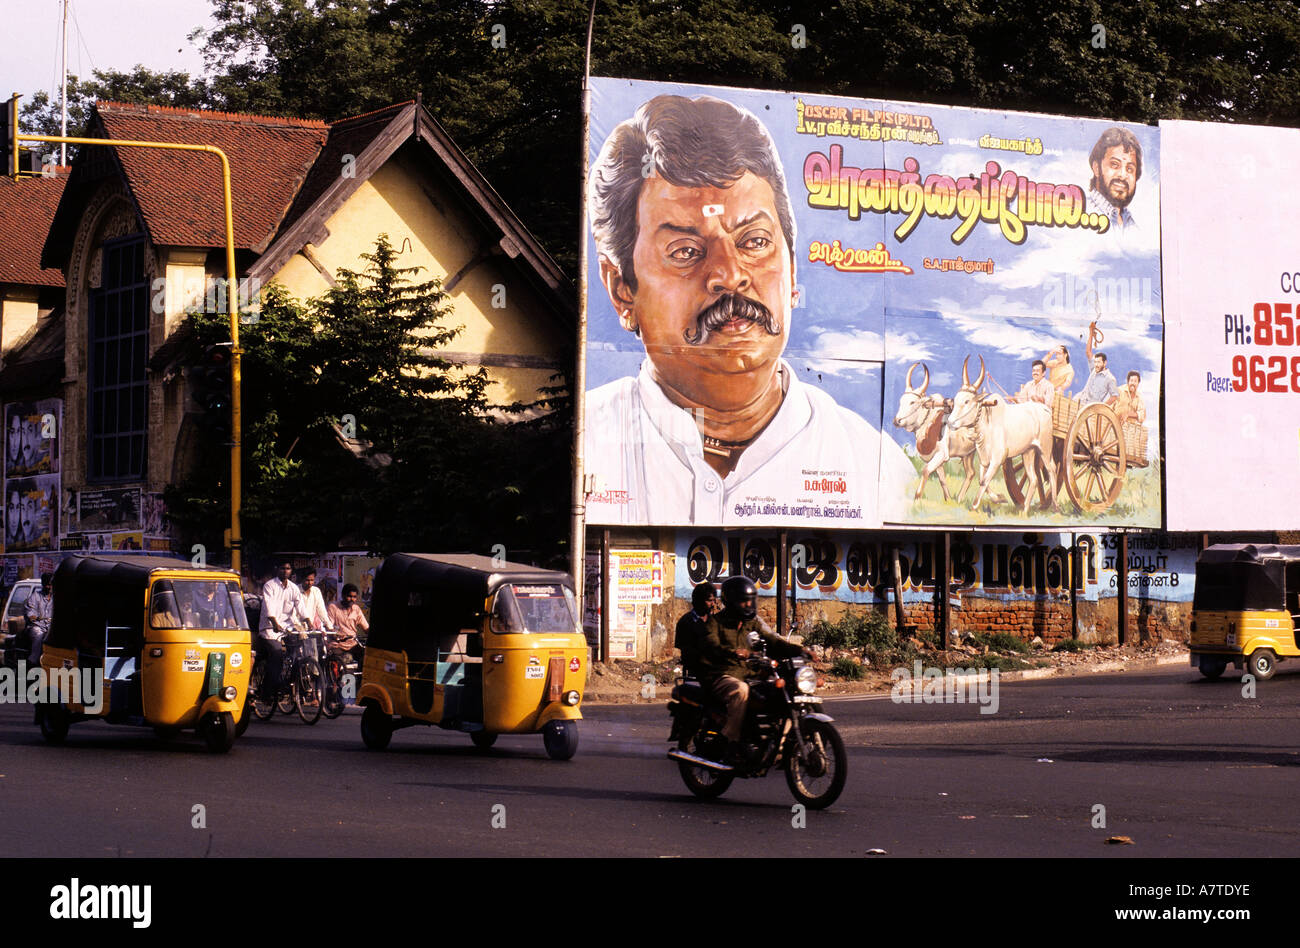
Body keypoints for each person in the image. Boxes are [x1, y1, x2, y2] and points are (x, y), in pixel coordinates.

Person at [585, 93, 912, 525]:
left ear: (792, 270)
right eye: (686, 251)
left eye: (755, 242)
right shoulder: (584, 445)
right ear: (622, 288)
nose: (730, 274)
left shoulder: (878, 472)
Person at [695, 575, 806, 764]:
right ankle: (729, 741)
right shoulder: (715, 623)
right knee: (741, 691)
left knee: (782, 692)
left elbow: (773, 641)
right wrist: (733, 652)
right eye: (744, 601)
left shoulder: (751, 623)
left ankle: (778, 744)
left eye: (750, 601)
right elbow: (711, 645)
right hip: (722, 675)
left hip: (749, 675)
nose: (748, 605)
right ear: (731, 601)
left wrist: (801, 651)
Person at [257, 560, 303, 701]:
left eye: (288, 568)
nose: (285, 571)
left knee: (299, 651)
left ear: (291, 571)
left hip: (287, 627)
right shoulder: (269, 586)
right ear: (277, 569)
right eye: (283, 568)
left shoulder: (294, 588)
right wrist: (274, 623)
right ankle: (267, 692)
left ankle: (289, 682)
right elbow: (269, 606)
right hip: (270, 628)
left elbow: (301, 606)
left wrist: (308, 621)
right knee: (277, 654)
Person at [1086, 126, 1142, 234]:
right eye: (1115, 165)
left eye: (1130, 169)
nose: (1123, 175)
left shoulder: (1131, 225)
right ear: (1096, 168)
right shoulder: (1082, 212)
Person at [673, 581, 717, 676]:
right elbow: (685, 651)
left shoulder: (714, 621)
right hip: (696, 670)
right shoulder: (685, 622)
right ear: (699, 600)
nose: (713, 604)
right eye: (710, 601)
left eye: (714, 600)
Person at [326, 583, 368, 671]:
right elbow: (329, 626)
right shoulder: (333, 607)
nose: (352, 599)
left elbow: (366, 628)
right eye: (349, 596)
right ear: (343, 595)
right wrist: (335, 635)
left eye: (354, 597)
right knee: (337, 662)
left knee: (366, 655)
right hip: (338, 644)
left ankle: (360, 678)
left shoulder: (356, 609)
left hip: (353, 643)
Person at [1077, 322, 1119, 406]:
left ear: (1105, 363)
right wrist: (1091, 332)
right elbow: (1088, 352)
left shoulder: (1110, 378)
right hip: (1079, 401)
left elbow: (1114, 396)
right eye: (1095, 362)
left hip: (1091, 408)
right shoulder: (1094, 369)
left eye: (1099, 362)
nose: (1096, 364)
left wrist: (1100, 407)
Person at [23, 572, 54, 665]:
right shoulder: (35, 596)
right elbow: (30, 613)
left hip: (51, 627)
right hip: (36, 626)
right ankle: (33, 660)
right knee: (39, 634)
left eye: (52, 585)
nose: (50, 587)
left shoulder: (57, 598)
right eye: (48, 585)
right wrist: (36, 617)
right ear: (43, 584)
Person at [297, 567, 333, 632]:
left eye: (312, 580)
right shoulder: (295, 590)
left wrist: (329, 626)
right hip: (295, 629)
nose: (310, 583)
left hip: (309, 629)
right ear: (302, 579)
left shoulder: (316, 591)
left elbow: (322, 611)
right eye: (307, 580)